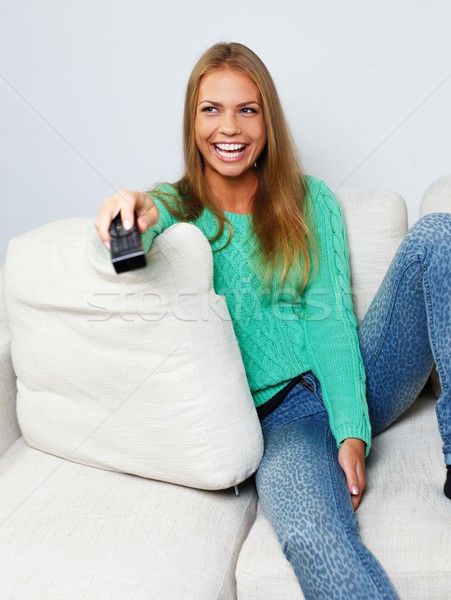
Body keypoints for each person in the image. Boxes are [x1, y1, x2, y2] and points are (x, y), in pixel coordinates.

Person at [95, 42, 450, 599]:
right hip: (283, 421)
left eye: (247, 109)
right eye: (211, 109)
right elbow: (138, 227)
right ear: (192, 121)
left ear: (268, 120)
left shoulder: (310, 200)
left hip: (359, 373)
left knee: (438, 236)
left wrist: (352, 433)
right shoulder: (178, 206)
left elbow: (329, 323)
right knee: (312, 535)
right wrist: (132, 208)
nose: (228, 127)